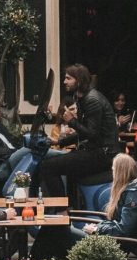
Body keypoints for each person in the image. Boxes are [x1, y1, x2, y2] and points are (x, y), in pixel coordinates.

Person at [39, 63, 118, 197]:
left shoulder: (92, 100)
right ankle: (72, 205)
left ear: (79, 80)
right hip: (97, 151)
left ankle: (61, 209)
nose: (64, 82)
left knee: (48, 166)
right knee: (61, 163)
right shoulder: (83, 98)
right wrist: (58, 141)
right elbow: (84, 132)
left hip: (102, 154)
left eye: (68, 78)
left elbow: (92, 134)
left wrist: (71, 121)